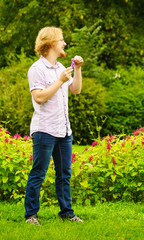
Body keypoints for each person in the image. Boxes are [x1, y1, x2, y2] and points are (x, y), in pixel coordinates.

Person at [24, 26, 84, 225]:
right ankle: (31, 216)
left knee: (64, 174)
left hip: (63, 130)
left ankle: (67, 213)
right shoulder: (36, 69)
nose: (64, 43)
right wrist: (59, 81)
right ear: (49, 43)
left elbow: (75, 90)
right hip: (44, 130)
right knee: (38, 173)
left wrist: (77, 69)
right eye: (61, 40)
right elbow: (39, 97)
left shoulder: (61, 67)